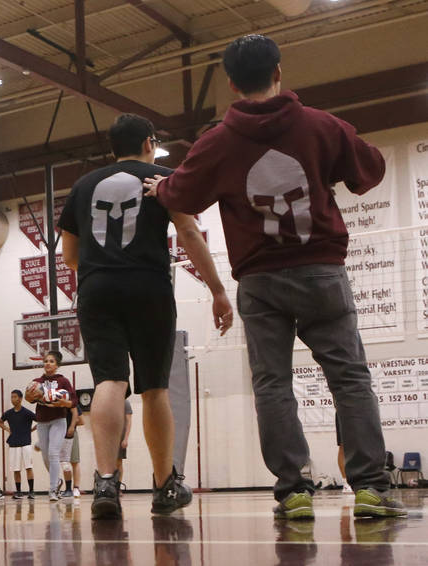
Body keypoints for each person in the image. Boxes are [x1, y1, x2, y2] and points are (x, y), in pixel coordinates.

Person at [143, 33, 405, 520]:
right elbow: (370, 169)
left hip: (261, 281)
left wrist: (161, 188)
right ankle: (371, 486)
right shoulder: (322, 126)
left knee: (273, 384)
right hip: (322, 271)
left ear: (231, 83)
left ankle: (295, 491)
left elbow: (179, 195)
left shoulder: (216, 143)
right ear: (279, 72)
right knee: (349, 379)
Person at [57, 113, 232, 519]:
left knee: (109, 381)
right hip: (149, 287)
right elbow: (188, 233)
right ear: (150, 142)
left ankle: (104, 481)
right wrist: (218, 291)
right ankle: (164, 484)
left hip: (97, 289)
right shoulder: (165, 178)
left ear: (112, 147)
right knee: (153, 388)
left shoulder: (83, 186)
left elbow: (69, 256)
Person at [24, 350, 75, 502]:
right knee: (46, 457)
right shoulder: (36, 382)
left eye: (51, 361)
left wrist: (62, 402)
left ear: (57, 365)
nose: (48, 363)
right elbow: (28, 399)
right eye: (46, 361)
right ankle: (57, 481)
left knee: (53, 453)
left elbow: (73, 402)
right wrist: (29, 395)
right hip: (42, 421)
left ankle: (52, 490)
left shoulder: (63, 381)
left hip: (58, 420)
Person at [0, 389, 38, 498]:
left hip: (26, 443)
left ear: (20, 399)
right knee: (16, 469)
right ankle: (19, 491)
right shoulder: (9, 413)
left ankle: (31, 491)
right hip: (14, 443)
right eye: (11, 397)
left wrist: (31, 430)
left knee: (28, 467)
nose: (13, 399)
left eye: (15, 397)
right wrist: (7, 429)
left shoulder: (26, 412)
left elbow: (40, 421)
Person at [58, 402, 83, 498]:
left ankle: (76, 488)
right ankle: (67, 488)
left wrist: (71, 425)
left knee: (74, 461)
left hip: (71, 434)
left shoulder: (73, 404)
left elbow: (81, 421)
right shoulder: (57, 404)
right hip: (60, 435)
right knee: (65, 463)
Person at [116, 399, 133, 481]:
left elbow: (129, 421)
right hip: (109, 437)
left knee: (118, 463)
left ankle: (117, 487)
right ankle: (109, 486)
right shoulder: (108, 401)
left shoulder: (125, 402)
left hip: (120, 436)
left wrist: (126, 438)